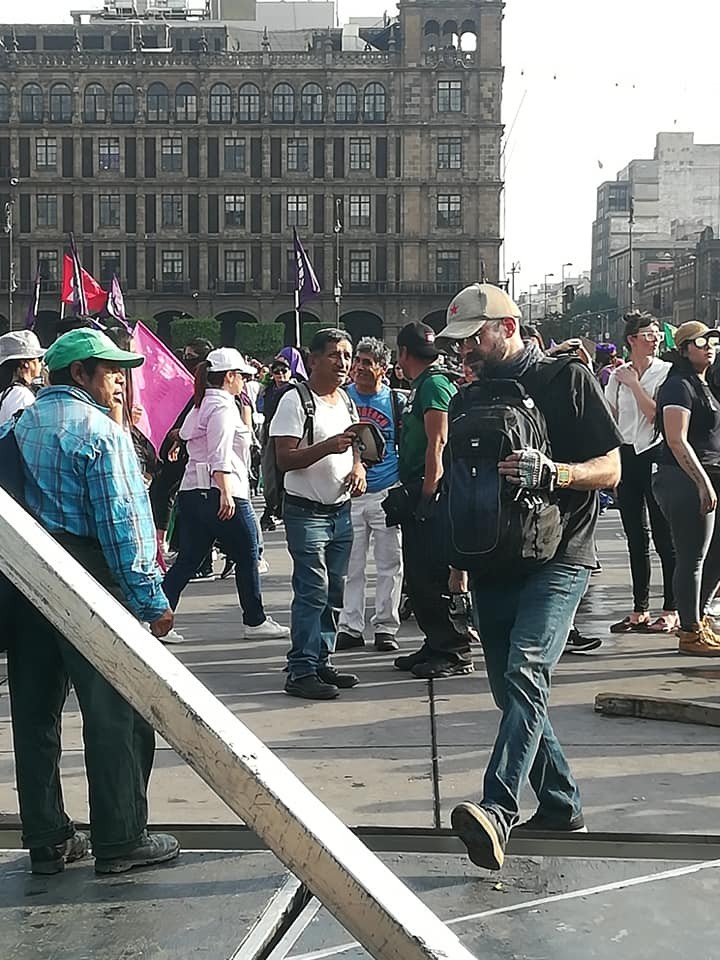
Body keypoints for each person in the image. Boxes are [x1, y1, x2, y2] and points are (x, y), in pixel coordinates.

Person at [438, 283, 621, 872]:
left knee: (526, 671)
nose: (464, 353)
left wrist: (557, 473)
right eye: (458, 344)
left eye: (474, 340)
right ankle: (563, 802)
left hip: (561, 554)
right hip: (493, 558)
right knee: (510, 689)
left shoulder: (567, 378)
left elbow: (613, 468)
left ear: (508, 327)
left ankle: (497, 809)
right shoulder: (471, 396)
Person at [5, 328, 179, 876]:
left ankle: (47, 838)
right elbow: (124, 532)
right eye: (111, 371)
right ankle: (120, 837)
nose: (122, 382)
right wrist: (151, 602)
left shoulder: (12, 427)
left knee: (33, 716)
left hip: (23, 583)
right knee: (117, 713)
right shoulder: (101, 434)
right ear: (79, 375)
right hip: (90, 582)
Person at [163, 348, 289, 640]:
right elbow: (220, 452)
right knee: (248, 554)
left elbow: (186, 436)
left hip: (194, 490)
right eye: (242, 376)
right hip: (221, 489)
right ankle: (255, 620)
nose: (245, 381)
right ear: (229, 376)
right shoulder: (222, 406)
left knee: (189, 559)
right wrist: (225, 492)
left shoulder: (201, 402)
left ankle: (156, 617)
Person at [270, 328, 366, 700]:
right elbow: (285, 458)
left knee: (334, 591)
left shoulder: (345, 400)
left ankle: (321, 660)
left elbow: (356, 444)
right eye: (334, 355)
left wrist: (358, 467)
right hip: (306, 513)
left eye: (347, 355)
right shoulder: (295, 401)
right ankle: (301, 670)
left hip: (340, 511)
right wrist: (326, 447)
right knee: (313, 590)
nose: (343, 363)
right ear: (313, 360)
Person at [393, 321, 474, 679]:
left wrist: (428, 492)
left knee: (432, 573)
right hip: (423, 485)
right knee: (419, 575)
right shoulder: (424, 384)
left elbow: (437, 441)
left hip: (433, 490)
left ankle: (453, 649)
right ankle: (435, 641)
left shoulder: (434, 384)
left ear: (403, 353)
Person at [605, 312, 676, 634]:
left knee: (664, 535)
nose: (655, 338)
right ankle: (639, 609)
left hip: (656, 453)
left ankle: (672, 608)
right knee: (635, 536)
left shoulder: (666, 373)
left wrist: (634, 385)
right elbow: (613, 417)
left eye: (656, 333)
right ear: (632, 339)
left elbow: (654, 416)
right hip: (627, 454)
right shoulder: (616, 375)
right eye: (648, 333)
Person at [653, 321, 720, 657]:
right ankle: (690, 631)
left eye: (712, 341)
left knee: (715, 553)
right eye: (700, 342)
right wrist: (702, 482)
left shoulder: (702, 383)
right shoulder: (679, 385)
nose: (709, 346)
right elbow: (676, 440)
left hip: (708, 473)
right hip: (683, 478)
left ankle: (699, 616)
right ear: (683, 348)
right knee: (692, 556)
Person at [337, 337, 404, 653]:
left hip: (386, 490)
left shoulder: (395, 402)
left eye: (367, 363)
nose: (359, 368)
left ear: (383, 369)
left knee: (390, 563)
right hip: (349, 493)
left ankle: (386, 626)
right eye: (358, 361)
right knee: (352, 565)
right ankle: (350, 626)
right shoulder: (342, 399)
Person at [0, 330, 45, 423]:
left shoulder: (8, 392)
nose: (41, 363)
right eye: (39, 359)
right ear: (25, 363)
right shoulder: (21, 396)